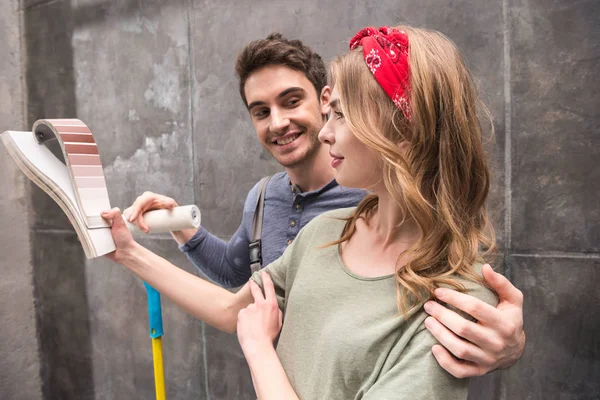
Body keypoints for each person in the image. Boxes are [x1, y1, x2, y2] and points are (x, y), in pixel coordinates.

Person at [124, 32, 525, 377]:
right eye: (261, 112)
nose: (277, 122)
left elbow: (460, 298)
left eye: (291, 101)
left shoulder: (377, 198)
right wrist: (178, 229)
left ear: (325, 99)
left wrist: (508, 342)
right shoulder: (267, 197)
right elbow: (237, 275)